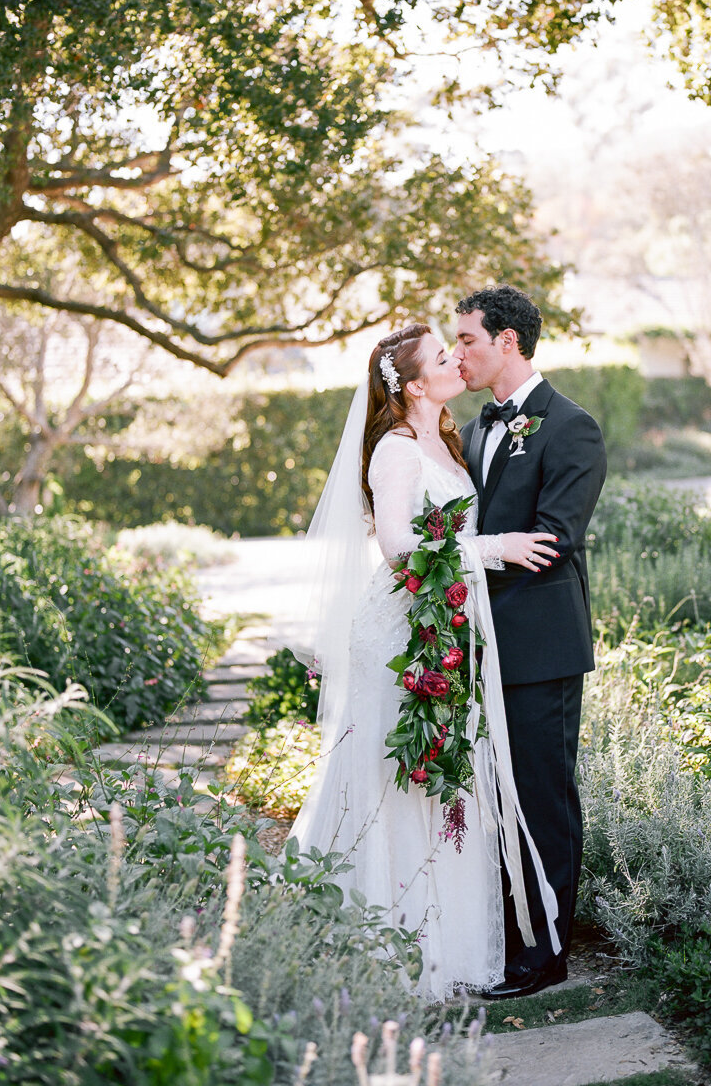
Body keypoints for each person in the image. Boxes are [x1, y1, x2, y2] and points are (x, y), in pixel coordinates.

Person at [288, 322, 561, 1002]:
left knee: (441, 780)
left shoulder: (445, 441)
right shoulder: (396, 449)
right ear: (412, 385)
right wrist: (493, 549)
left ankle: (450, 942)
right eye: (442, 357)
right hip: (399, 638)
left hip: (440, 631)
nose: (455, 361)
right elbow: (398, 551)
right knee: (398, 777)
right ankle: (386, 945)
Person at [454, 286, 607, 1000]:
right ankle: (505, 934)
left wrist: (470, 555)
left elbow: (550, 543)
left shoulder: (570, 427)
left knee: (541, 799)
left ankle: (544, 956)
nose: (459, 354)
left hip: (540, 649)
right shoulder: (477, 426)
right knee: (492, 799)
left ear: (506, 341)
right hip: (480, 644)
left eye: (467, 341)